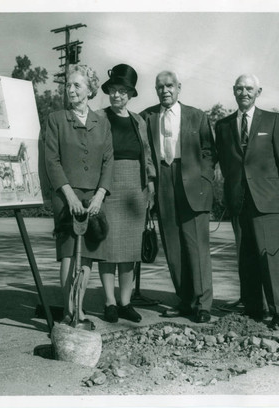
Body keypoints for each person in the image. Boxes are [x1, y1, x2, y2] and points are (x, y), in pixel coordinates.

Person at [140, 70, 216, 323]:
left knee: (196, 246)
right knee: (173, 246)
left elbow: (208, 151)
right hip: (163, 180)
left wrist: (204, 180)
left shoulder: (197, 115)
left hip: (192, 182)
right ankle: (185, 300)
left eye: (170, 86)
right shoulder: (147, 117)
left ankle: (203, 304)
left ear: (179, 87)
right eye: (160, 87)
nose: (165, 91)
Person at [215, 74, 279, 330]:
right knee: (245, 257)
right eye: (239, 88)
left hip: (265, 199)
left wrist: (265, 185)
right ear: (233, 91)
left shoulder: (272, 120)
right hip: (238, 199)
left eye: (249, 88)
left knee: (270, 257)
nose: (244, 92)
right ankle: (253, 308)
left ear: (259, 91)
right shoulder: (223, 125)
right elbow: (225, 162)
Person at [44, 64, 114, 328]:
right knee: (68, 254)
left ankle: (81, 309)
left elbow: (109, 161)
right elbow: (52, 160)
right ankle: (68, 311)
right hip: (66, 195)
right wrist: (70, 195)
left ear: (89, 90)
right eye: (68, 85)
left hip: (94, 197)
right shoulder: (56, 119)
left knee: (88, 255)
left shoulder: (102, 122)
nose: (70, 90)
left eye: (76, 85)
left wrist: (100, 195)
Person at [96, 64, 156, 323]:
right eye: (113, 90)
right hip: (108, 184)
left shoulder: (139, 121)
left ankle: (125, 302)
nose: (117, 95)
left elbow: (147, 153)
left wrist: (150, 181)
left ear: (130, 94)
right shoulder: (99, 117)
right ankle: (109, 302)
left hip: (135, 187)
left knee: (130, 249)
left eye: (122, 91)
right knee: (108, 246)